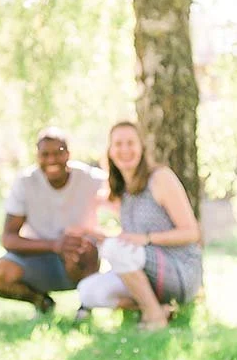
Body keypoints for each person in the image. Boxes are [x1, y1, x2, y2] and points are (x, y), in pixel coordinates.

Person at [76, 122, 202, 330]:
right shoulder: (121, 189)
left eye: (130, 143)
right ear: (110, 151)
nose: (125, 150)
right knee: (87, 291)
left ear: (142, 147)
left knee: (114, 249)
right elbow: (130, 239)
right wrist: (95, 234)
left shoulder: (160, 178)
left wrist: (147, 239)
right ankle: (159, 308)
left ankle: (154, 317)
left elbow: (192, 232)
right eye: (118, 144)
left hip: (180, 271)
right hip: (146, 272)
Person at [0, 127, 106, 315]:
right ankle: (42, 302)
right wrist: (54, 245)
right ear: (37, 156)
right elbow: (8, 239)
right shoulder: (25, 182)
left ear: (68, 154)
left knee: (85, 247)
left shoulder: (89, 178)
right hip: (38, 256)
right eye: (45, 154)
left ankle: (86, 307)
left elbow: (121, 190)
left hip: (80, 258)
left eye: (58, 153)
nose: (51, 160)